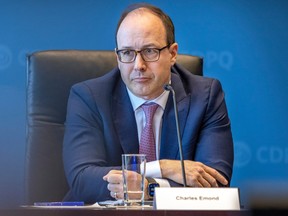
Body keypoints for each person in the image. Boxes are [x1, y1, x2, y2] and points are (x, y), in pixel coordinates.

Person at [63, 3, 234, 204]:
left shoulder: (205, 97)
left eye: (150, 51)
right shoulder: (89, 97)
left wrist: (150, 189)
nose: (138, 65)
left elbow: (216, 183)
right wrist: (164, 167)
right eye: (127, 53)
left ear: (172, 54)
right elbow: (83, 179)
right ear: (117, 56)